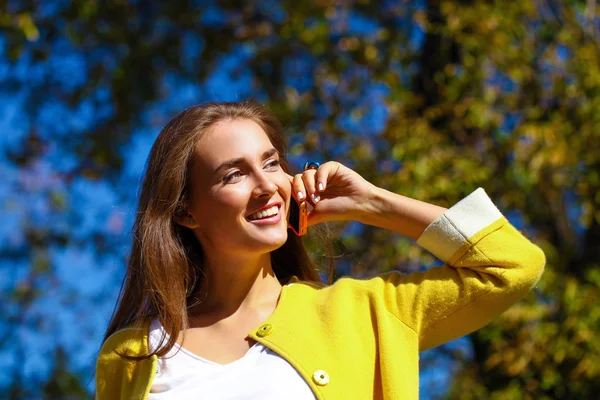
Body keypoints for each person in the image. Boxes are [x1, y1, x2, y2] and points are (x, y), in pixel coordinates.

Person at [95, 101, 545, 400]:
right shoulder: (131, 356)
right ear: (186, 211)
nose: (267, 186)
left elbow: (512, 265)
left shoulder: (362, 312)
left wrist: (374, 204)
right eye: (234, 174)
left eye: (271, 163)